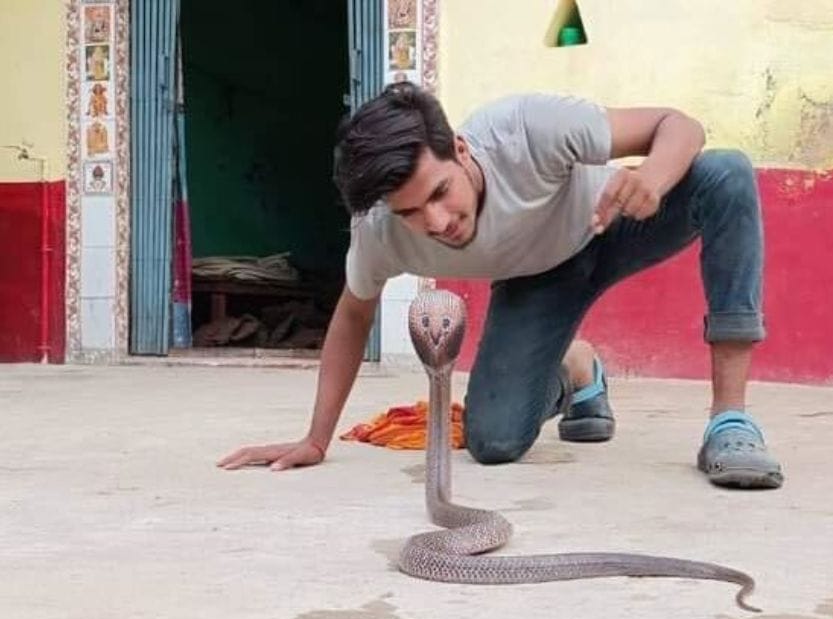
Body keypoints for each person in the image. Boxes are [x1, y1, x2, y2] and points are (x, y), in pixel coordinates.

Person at [217, 82, 783, 489]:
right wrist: (316, 439)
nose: (436, 223)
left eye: (440, 192)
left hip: (614, 220)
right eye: (412, 211)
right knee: (494, 444)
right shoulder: (380, 233)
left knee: (726, 173)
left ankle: (730, 420)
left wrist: (652, 179)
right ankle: (578, 371)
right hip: (538, 281)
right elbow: (351, 316)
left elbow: (678, 125)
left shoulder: (527, 127)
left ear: (461, 149)